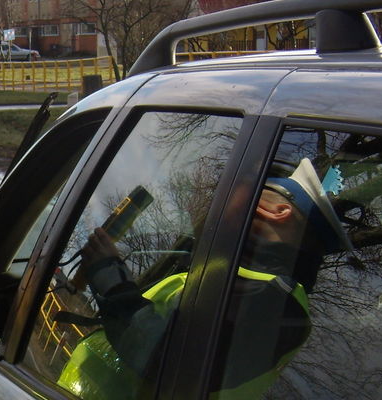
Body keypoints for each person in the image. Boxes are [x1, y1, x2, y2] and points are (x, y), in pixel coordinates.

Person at [59, 158, 352, 399]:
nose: (226, 195)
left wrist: (110, 277)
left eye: (256, 190)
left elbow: (170, 359)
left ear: (276, 210)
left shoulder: (276, 303)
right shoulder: (233, 274)